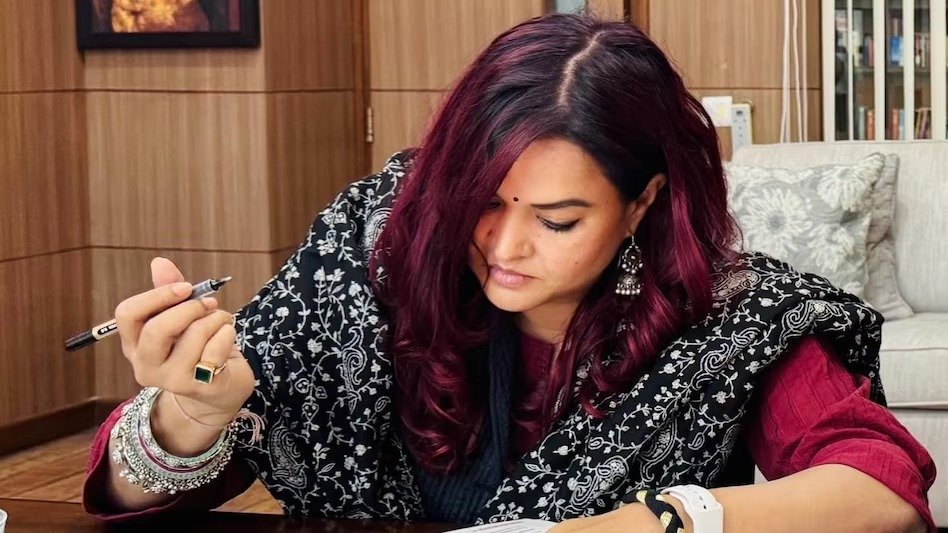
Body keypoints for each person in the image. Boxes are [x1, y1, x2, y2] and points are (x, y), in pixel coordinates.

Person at [83, 12, 936, 532]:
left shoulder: (729, 316)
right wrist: (191, 413)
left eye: (558, 219)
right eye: (482, 201)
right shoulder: (375, 254)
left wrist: (660, 521)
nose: (505, 245)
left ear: (641, 202)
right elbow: (125, 492)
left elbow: (882, 487)